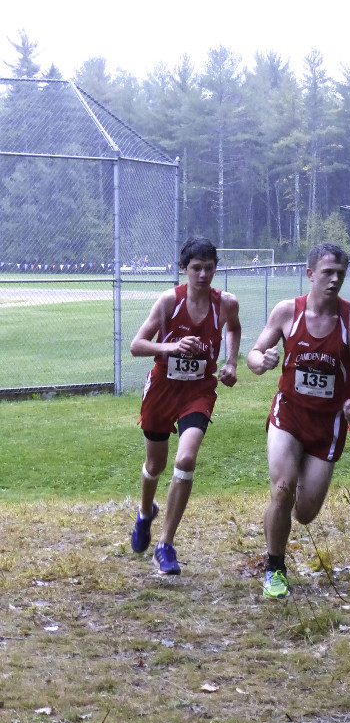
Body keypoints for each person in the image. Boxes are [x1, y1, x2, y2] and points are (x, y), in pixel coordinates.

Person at [247, 243, 350, 599]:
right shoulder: (288, 312)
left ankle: (281, 519)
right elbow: (254, 354)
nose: (335, 280)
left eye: (340, 274)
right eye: (327, 273)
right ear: (310, 274)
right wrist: (261, 361)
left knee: (304, 513)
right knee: (283, 488)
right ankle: (275, 568)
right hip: (288, 416)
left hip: (328, 425)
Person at [129, 236, 241, 575]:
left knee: (186, 457)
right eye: (196, 268)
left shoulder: (226, 304)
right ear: (184, 269)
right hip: (163, 389)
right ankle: (146, 512)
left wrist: (232, 363)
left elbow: (234, 330)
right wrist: (171, 347)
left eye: (209, 268)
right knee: (155, 464)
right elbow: (136, 346)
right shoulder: (168, 302)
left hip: (199, 390)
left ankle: (165, 545)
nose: (203, 275)